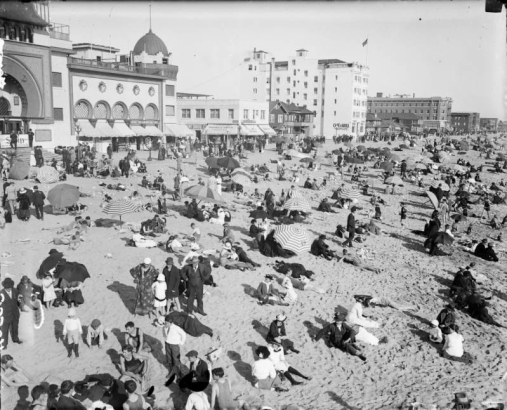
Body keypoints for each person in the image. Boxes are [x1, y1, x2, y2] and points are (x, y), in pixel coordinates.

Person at [162, 315, 186, 384]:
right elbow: (163, 333)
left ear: (171, 322)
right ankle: (171, 371)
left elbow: (183, 334)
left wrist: (181, 342)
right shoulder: (165, 327)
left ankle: (178, 374)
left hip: (174, 345)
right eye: (165, 322)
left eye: (166, 323)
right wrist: (165, 339)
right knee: (169, 359)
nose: (165, 324)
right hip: (167, 344)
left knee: (176, 360)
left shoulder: (176, 328)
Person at [0, 277, 22, 347]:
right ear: (4, 286)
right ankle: (4, 344)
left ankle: (15, 339)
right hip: (6, 315)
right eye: (7, 287)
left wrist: (20, 299)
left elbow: (19, 296)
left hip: (15, 313)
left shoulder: (15, 290)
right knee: (4, 329)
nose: (8, 288)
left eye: (9, 287)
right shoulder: (1, 293)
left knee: (15, 327)